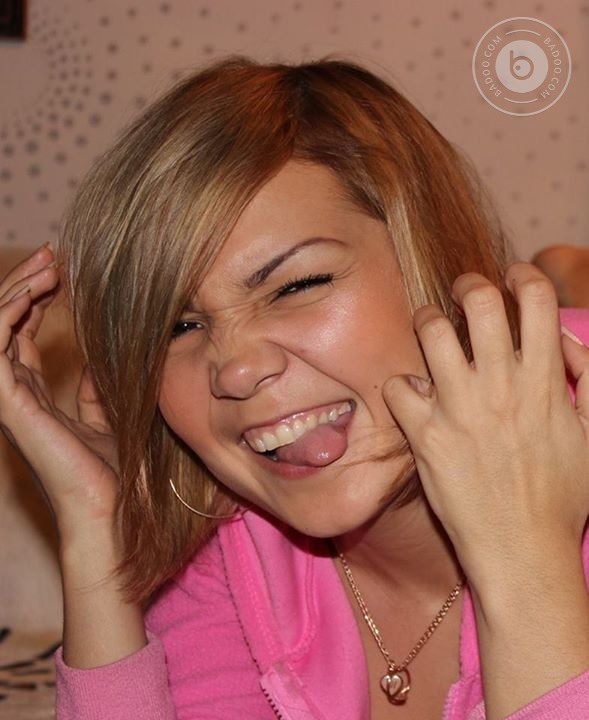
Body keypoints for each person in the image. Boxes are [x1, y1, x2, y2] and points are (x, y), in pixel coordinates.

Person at [1, 54, 588, 720]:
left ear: (431, 253)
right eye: (179, 326)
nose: (235, 369)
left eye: (296, 285)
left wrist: (525, 561)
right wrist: (98, 531)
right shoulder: (227, 527)